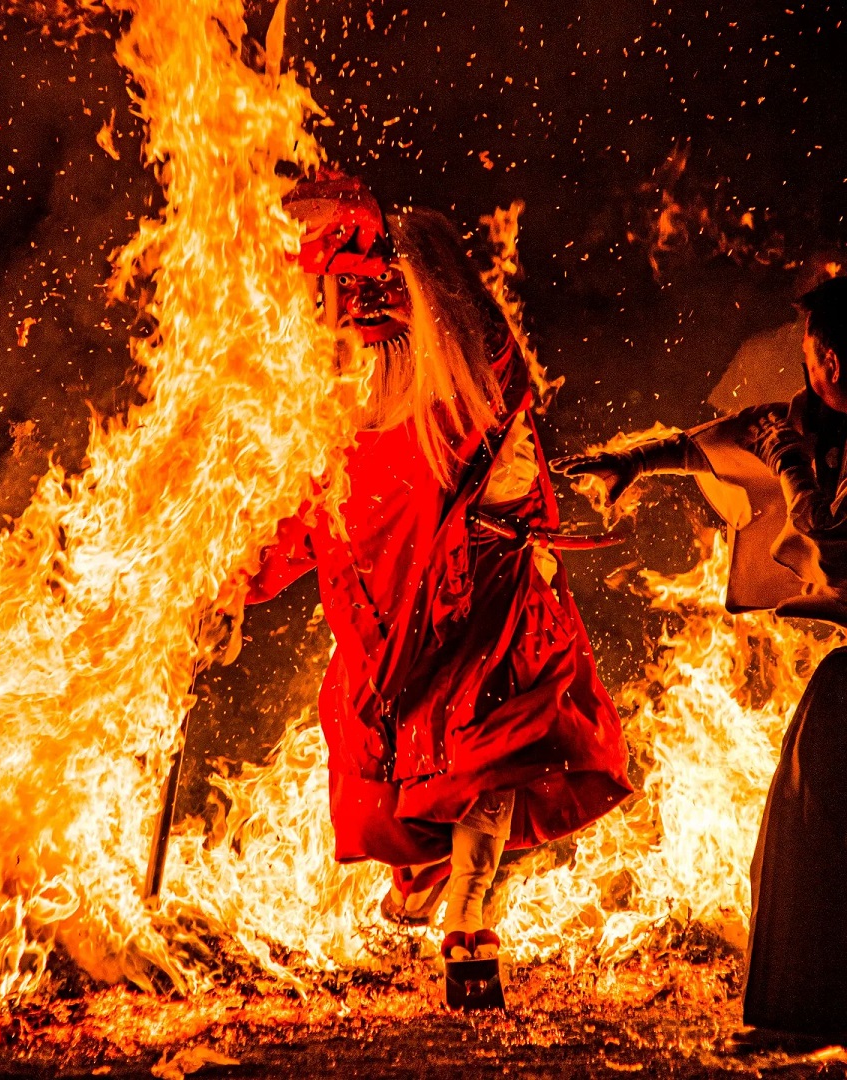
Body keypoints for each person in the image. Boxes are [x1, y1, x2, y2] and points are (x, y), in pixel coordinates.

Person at [246, 172, 632, 965]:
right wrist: (231, 581)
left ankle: (466, 919)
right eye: (354, 297)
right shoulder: (354, 430)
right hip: (398, 627)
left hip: (483, 597)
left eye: (384, 294)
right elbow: (309, 519)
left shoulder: (470, 390)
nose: (365, 312)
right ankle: (434, 889)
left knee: (492, 750)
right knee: (424, 762)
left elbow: (485, 415)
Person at [555, 275, 847, 1044]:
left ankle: (812, 1011)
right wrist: (634, 463)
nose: (827, 368)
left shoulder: (812, 445)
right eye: (820, 351)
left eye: (837, 352)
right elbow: (710, 442)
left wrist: (790, 468)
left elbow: (829, 547)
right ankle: (801, 1012)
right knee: (800, 813)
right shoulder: (805, 422)